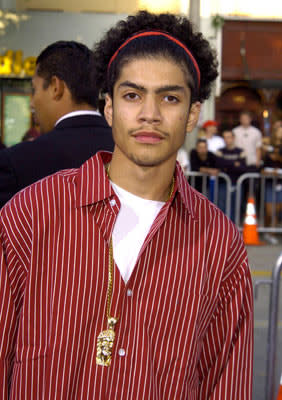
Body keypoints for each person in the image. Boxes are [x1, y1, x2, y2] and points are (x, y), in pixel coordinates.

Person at [0, 11, 253, 399]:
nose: (149, 114)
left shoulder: (219, 243)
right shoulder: (32, 214)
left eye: (169, 97)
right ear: (109, 108)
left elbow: (226, 382)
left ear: (192, 113)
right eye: (133, 95)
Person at [0, 40, 114, 208]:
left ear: (55, 87)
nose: (32, 103)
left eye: (35, 90)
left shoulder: (16, 163)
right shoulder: (126, 150)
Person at [216, 130, 247, 221]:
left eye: (228, 137)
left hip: (237, 182)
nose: (226, 140)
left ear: (233, 138)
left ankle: (234, 229)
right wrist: (234, 164)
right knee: (222, 206)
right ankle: (224, 229)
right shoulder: (220, 151)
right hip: (223, 183)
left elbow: (243, 168)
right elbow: (219, 165)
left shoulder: (240, 151)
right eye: (224, 137)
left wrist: (227, 165)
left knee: (236, 206)